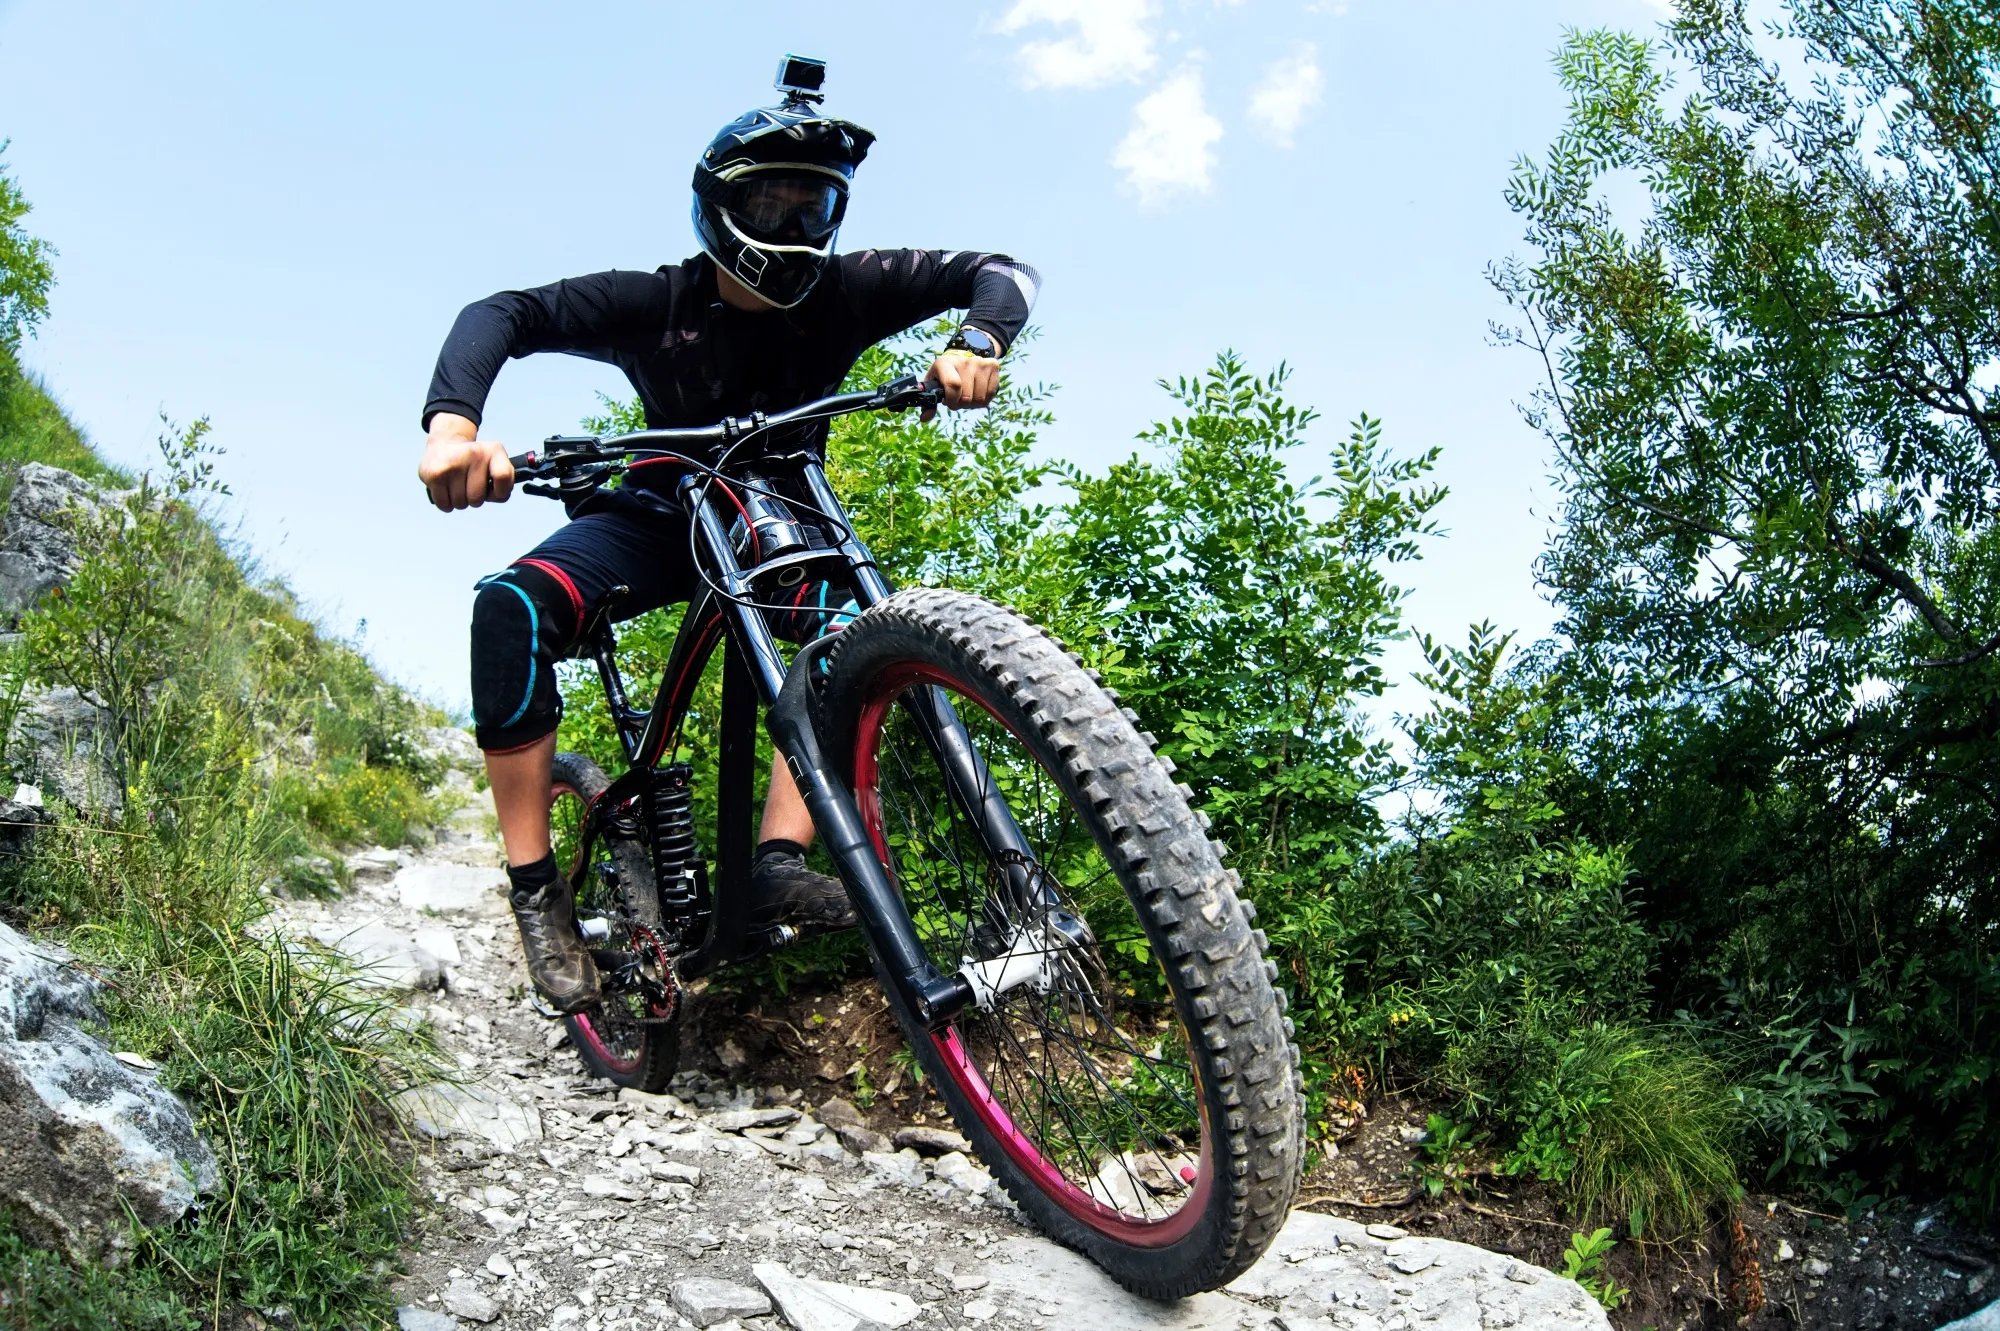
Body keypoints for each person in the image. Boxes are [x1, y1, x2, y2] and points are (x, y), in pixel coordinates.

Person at [416, 60, 1039, 1014]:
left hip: (781, 516)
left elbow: (1001, 271)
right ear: (720, 206)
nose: (790, 225)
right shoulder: (656, 301)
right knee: (511, 607)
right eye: (768, 202)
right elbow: (504, 313)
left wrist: (980, 341)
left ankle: (780, 861)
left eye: (811, 206)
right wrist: (453, 431)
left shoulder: (849, 291)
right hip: (663, 511)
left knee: (853, 645)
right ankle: (537, 890)